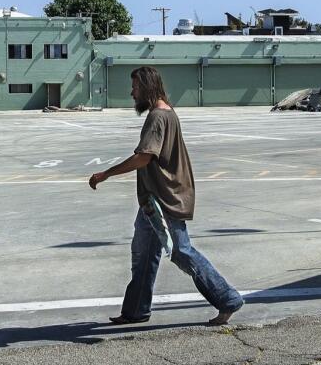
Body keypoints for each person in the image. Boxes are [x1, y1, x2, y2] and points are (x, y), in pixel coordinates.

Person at [88, 66, 244, 326]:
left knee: (182, 251)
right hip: (153, 201)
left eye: (136, 87)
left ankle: (227, 299)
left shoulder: (158, 117)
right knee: (144, 255)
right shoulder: (166, 112)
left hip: (166, 198)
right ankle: (136, 310)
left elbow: (144, 157)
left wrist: (106, 174)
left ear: (148, 87)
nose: (132, 93)